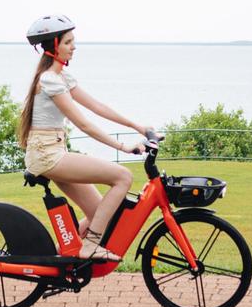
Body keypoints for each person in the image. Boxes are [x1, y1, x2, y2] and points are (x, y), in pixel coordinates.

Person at [18, 14, 155, 262]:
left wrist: (139, 127)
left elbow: (96, 106)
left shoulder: (61, 77)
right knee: (123, 176)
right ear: (54, 45)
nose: (74, 47)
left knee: (101, 213)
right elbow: (84, 123)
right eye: (69, 42)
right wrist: (123, 146)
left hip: (53, 152)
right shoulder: (49, 80)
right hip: (48, 156)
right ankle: (90, 245)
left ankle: (66, 262)